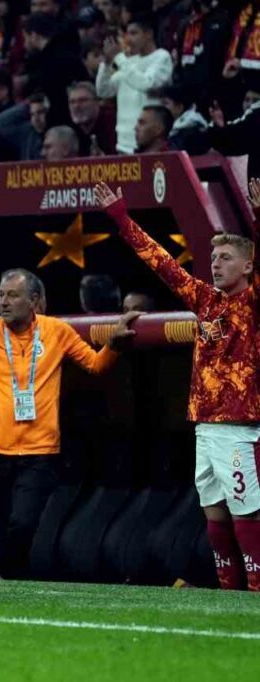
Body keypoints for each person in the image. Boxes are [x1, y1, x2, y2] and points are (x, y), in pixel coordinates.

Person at [97, 179, 260, 592]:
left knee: (246, 511)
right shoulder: (205, 300)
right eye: (213, 257)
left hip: (240, 428)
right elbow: (162, 263)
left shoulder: (252, 303)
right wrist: (121, 218)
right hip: (204, 426)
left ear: (248, 267)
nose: (216, 264)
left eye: (226, 258)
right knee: (215, 513)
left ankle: (256, 591)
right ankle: (228, 591)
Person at [0, 268, 138, 578]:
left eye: (12, 295)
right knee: (4, 528)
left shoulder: (56, 331)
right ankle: (16, 580)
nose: (4, 302)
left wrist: (113, 345)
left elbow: (95, 365)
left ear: (33, 301)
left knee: (23, 522)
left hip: (40, 451)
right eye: (1, 295)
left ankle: (10, 579)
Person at [95, 16, 174, 155]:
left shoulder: (162, 57)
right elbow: (103, 91)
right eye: (127, 34)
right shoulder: (128, 62)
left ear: (149, 34)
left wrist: (119, 58)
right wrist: (106, 64)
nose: (129, 39)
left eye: (134, 33)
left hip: (150, 144)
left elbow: (147, 83)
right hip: (122, 144)